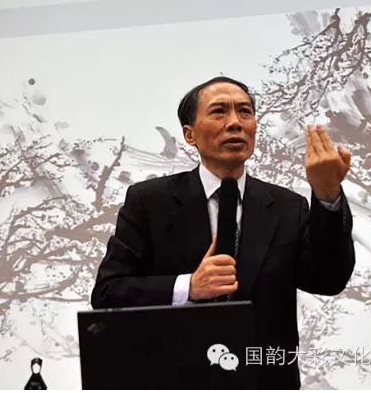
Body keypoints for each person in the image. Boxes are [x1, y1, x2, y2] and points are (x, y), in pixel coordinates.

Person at [91, 76, 356, 389]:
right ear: (189, 134)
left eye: (245, 112)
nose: (235, 123)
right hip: (175, 378)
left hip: (264, 378)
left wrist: (326, 194)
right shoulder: (149, 201)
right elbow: (108, 293)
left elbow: (327, 280)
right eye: (219, 111)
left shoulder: (287, 206)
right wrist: (189, 287)